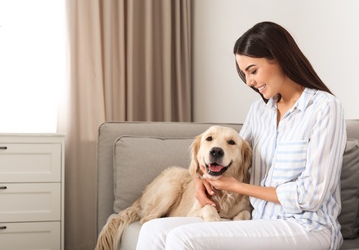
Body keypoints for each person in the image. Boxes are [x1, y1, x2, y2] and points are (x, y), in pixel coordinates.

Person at [136, 21, 347, 250]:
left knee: (183, 238)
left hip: (308, 227)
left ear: (278, 57)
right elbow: (231, 158)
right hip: (261, 223)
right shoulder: (260, 111)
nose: (249, 82)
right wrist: (199, 180)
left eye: (252, 71)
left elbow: (311, 195)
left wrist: (237, 187)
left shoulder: (325, 108)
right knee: (153, 231)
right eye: (245, 74)